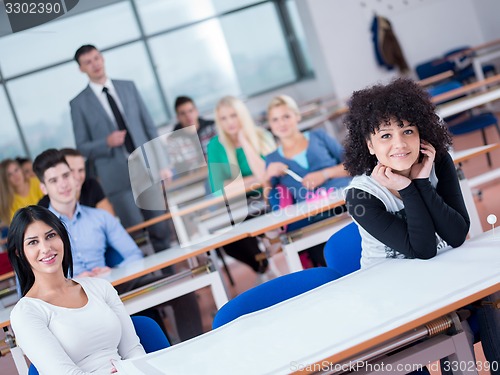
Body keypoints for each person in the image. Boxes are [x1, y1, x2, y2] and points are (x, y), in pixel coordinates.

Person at [343, 77, 498, 374]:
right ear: (370, 145)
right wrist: (410, 187)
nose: (400, 144)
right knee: (453, 330)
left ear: (421, 135)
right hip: (394, 294)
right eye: (386, 136)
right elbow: (423, 249)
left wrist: (422, 182)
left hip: (444, 274)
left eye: (408, 131)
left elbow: (456, 234)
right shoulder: (360, 196)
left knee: (493, 296)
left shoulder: (438, 162)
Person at [33, 148, 204, 341]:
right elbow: (36, 281)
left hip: (111, 287)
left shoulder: (100, 217)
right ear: (44, 189)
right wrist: (72, 280)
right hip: (70, 299)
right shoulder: (39, 231)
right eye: (53, 180)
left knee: (182, 288)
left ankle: (194, 355)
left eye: (66, 175)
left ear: (74, 177)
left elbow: (133, 254)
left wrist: (111, 271)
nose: (63, 184)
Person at [8, 205, 145, 374]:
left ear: (63, 238)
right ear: (19, 253)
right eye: (33, 242)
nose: (45, 248)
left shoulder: (100, 287)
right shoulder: (26, 313)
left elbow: (133, 350)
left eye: (50, 236)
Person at [70, 44, 170, 254]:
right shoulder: (79, 104)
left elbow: (149, 127)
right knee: (134, 233)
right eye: (88, 62)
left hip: (147, 169)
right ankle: (150, 281)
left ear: (102, 58)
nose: (94, 64)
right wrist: (106, 142)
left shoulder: (128, 87)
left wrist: (162, 164)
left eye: (96, 58)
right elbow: (82, 148)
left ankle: (175, 279)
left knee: (160, 227)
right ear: (81, 69)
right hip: (117, 179)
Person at [264, 95, 351, 266]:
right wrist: (267, 177)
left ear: (297, 116)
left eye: (286, 116)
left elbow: (353, 166)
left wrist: (325, 174)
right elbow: (271, 198)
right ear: (271, 126)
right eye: (275, 120)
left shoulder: (318, 136)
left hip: (345, 200)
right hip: (311, 216)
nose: (281, 123)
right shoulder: (272, 159)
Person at [207, 96, 276, 276]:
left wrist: (245, 142)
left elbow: (271, 175)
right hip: (237, 204)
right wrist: (255, 179)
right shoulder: (215, 145)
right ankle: (262, 266)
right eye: (223, 118)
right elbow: (219, 190)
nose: (229, 122)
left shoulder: (261, 135)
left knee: (255, 221)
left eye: (233, 116)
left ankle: (265, 265)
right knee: (226, 239)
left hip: (268, 197)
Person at [38, 148, 115, 216]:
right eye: (70, 171)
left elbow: (110, 220)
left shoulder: (91, 185)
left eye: (81, 170)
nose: (77, 177)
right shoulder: (43, 208)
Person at [0, 159, 44, 225]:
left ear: (21, 170)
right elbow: (18, 225)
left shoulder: (36, 182)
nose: (15, 175)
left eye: (16, 170)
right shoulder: (9, 200)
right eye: (9, 174)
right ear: (5, 180)